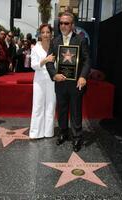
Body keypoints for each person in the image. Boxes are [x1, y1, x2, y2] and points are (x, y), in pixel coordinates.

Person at [46, 12, 90, 152]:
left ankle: (77, 137)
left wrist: (83, 76)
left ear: (72, 25)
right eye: (61, 23)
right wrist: (54, 75)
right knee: (62, 109)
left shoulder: (81, 40)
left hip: (76, 82)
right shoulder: (55, 41)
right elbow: (49, 62)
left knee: (76, 110)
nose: (63, 26)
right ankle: (63, 132)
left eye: (66, 23)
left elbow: (87, 60)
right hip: (60, 82)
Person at [29, 24, 56, 139]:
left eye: (48, 32)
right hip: (39, 80)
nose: (45, 35)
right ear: (40, 34)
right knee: (38, 105)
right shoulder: (35, 48)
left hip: (52, 80)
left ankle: (48, 132)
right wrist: (45, 60)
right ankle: (36, 133)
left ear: (51, 34)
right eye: (43, 32)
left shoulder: (55, 47)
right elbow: (33, 65)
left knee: (51, 104)